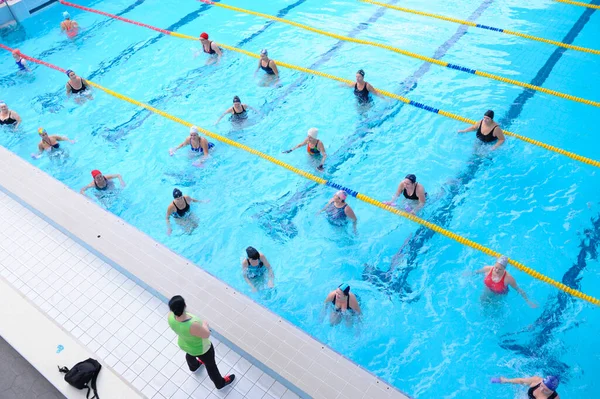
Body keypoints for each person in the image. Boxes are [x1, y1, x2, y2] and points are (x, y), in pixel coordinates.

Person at [167, 295, 235, 390]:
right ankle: (220, 383)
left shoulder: (170, 317)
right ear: (185, 305)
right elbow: (206, 334)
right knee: (211, 365)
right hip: (201, 349)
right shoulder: (192, 324)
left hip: (184, 343)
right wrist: (204, 324)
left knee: (190, 354)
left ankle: (194, 366)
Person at [494, 375, 560, 399]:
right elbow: (521, 381)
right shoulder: (536, 380)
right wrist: (506, 380)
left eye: (546, 390)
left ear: (552, 391)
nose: (541, 389)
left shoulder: (555, 398)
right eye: (541, 385)